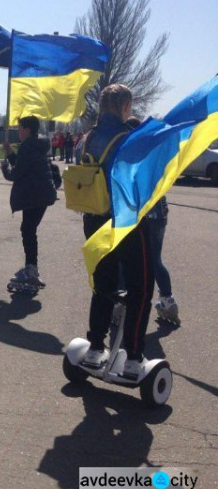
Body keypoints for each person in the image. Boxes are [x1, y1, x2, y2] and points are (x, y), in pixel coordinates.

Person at [80, 84, 155, 378]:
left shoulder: (87, 138)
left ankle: (96, 346)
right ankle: (134, 356)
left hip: (94, 221)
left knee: (103, 286)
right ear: (125, 108)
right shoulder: (130, 138)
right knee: (141, 288)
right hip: (126, 224)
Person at [126, 117, 180, 325]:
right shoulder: (155, 150)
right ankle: (168, 299)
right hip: (160, 212)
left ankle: (121, 304)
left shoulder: (132, 153)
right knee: (155, 259)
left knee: (127, 259)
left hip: (141, 215)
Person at [1, 116, 57, 289]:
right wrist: (10, 154)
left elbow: (16, 174)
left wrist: (5, 167)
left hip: (34, 194)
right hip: (42, 193)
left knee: (28, 230)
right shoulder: (36, 145)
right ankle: (31, 268)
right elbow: (23, 165)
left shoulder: (27, 146)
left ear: (26, 129)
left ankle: (31, 271)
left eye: (20, 128)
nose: (18, 131)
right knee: (29, 229)